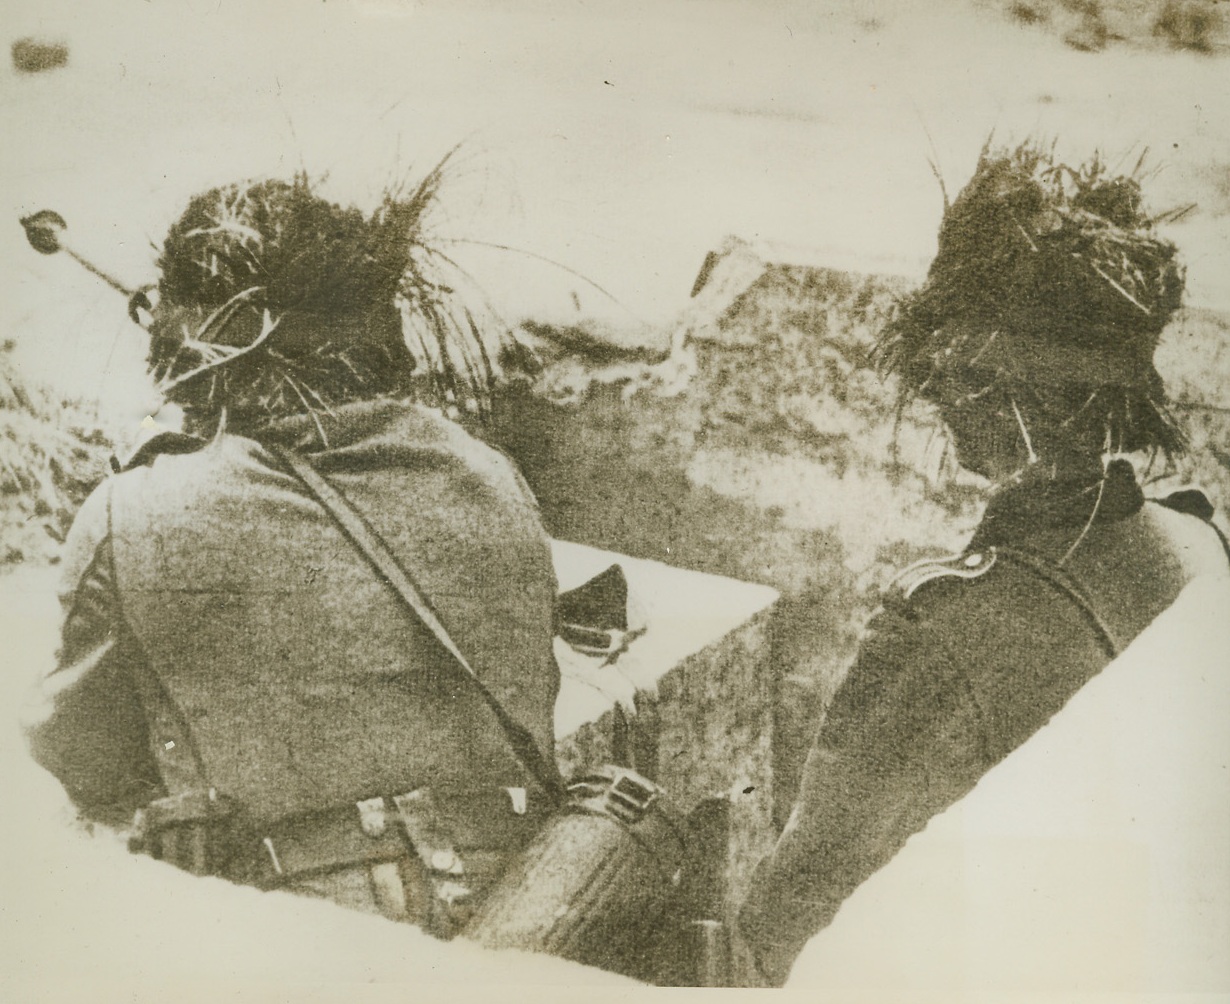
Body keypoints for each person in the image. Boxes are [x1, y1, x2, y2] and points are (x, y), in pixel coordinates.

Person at [737, 142, 1230, 985]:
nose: (934, 396)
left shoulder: (943, 626)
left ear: (1016, 399)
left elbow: (794, 909)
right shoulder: (1195, 543)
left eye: (954, 380)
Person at [23, 175, 563, 937]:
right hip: (528, 913)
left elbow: (79, 761)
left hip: (292, 947)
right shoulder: (489, 475)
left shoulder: (136, 507)